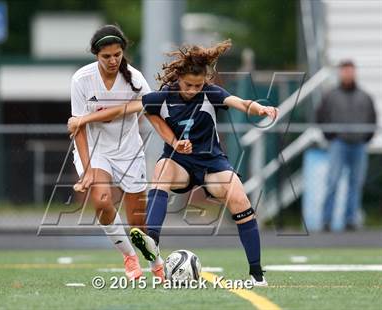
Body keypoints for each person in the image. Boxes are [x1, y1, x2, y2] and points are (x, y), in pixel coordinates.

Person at [69, 39, 277, 286]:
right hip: (179, 164)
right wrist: (84, 120)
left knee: (240, 199)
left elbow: (239, 103)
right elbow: (124, 110)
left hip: (212, 164)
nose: (193, 89)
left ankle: (256, 273)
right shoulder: (163, 96)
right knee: (162, 169)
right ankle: (152, 240)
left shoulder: (211, 93)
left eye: (198, 85)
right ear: (178, 78)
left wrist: (258, 109)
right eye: (188, 84)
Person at [70, 25, 157, 280]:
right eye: (106, 56)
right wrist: (87, 170)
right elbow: (78, 127)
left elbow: (153, 112)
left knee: (138, 225)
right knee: (102, 200)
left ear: (123, 52)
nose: (112, 60)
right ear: (96, 55)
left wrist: (174, 141)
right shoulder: (81, 80)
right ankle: (129, 258)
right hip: (97, 152)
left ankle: (158, 263)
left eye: (117, 55)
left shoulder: (136, 79)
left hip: (129, 151)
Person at [317, 60, 376, 231]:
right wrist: (330, 135)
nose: (348, 74)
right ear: (340, 73)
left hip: (359, 145)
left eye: (351, 71)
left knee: (355, 183)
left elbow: (372, 117)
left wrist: (366, 137)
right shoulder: (330, 95)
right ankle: (326, 220)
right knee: (333, 182)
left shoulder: (365, 96)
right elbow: (320, 116)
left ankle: (350, 220)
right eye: (345, 71)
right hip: (339, 143)